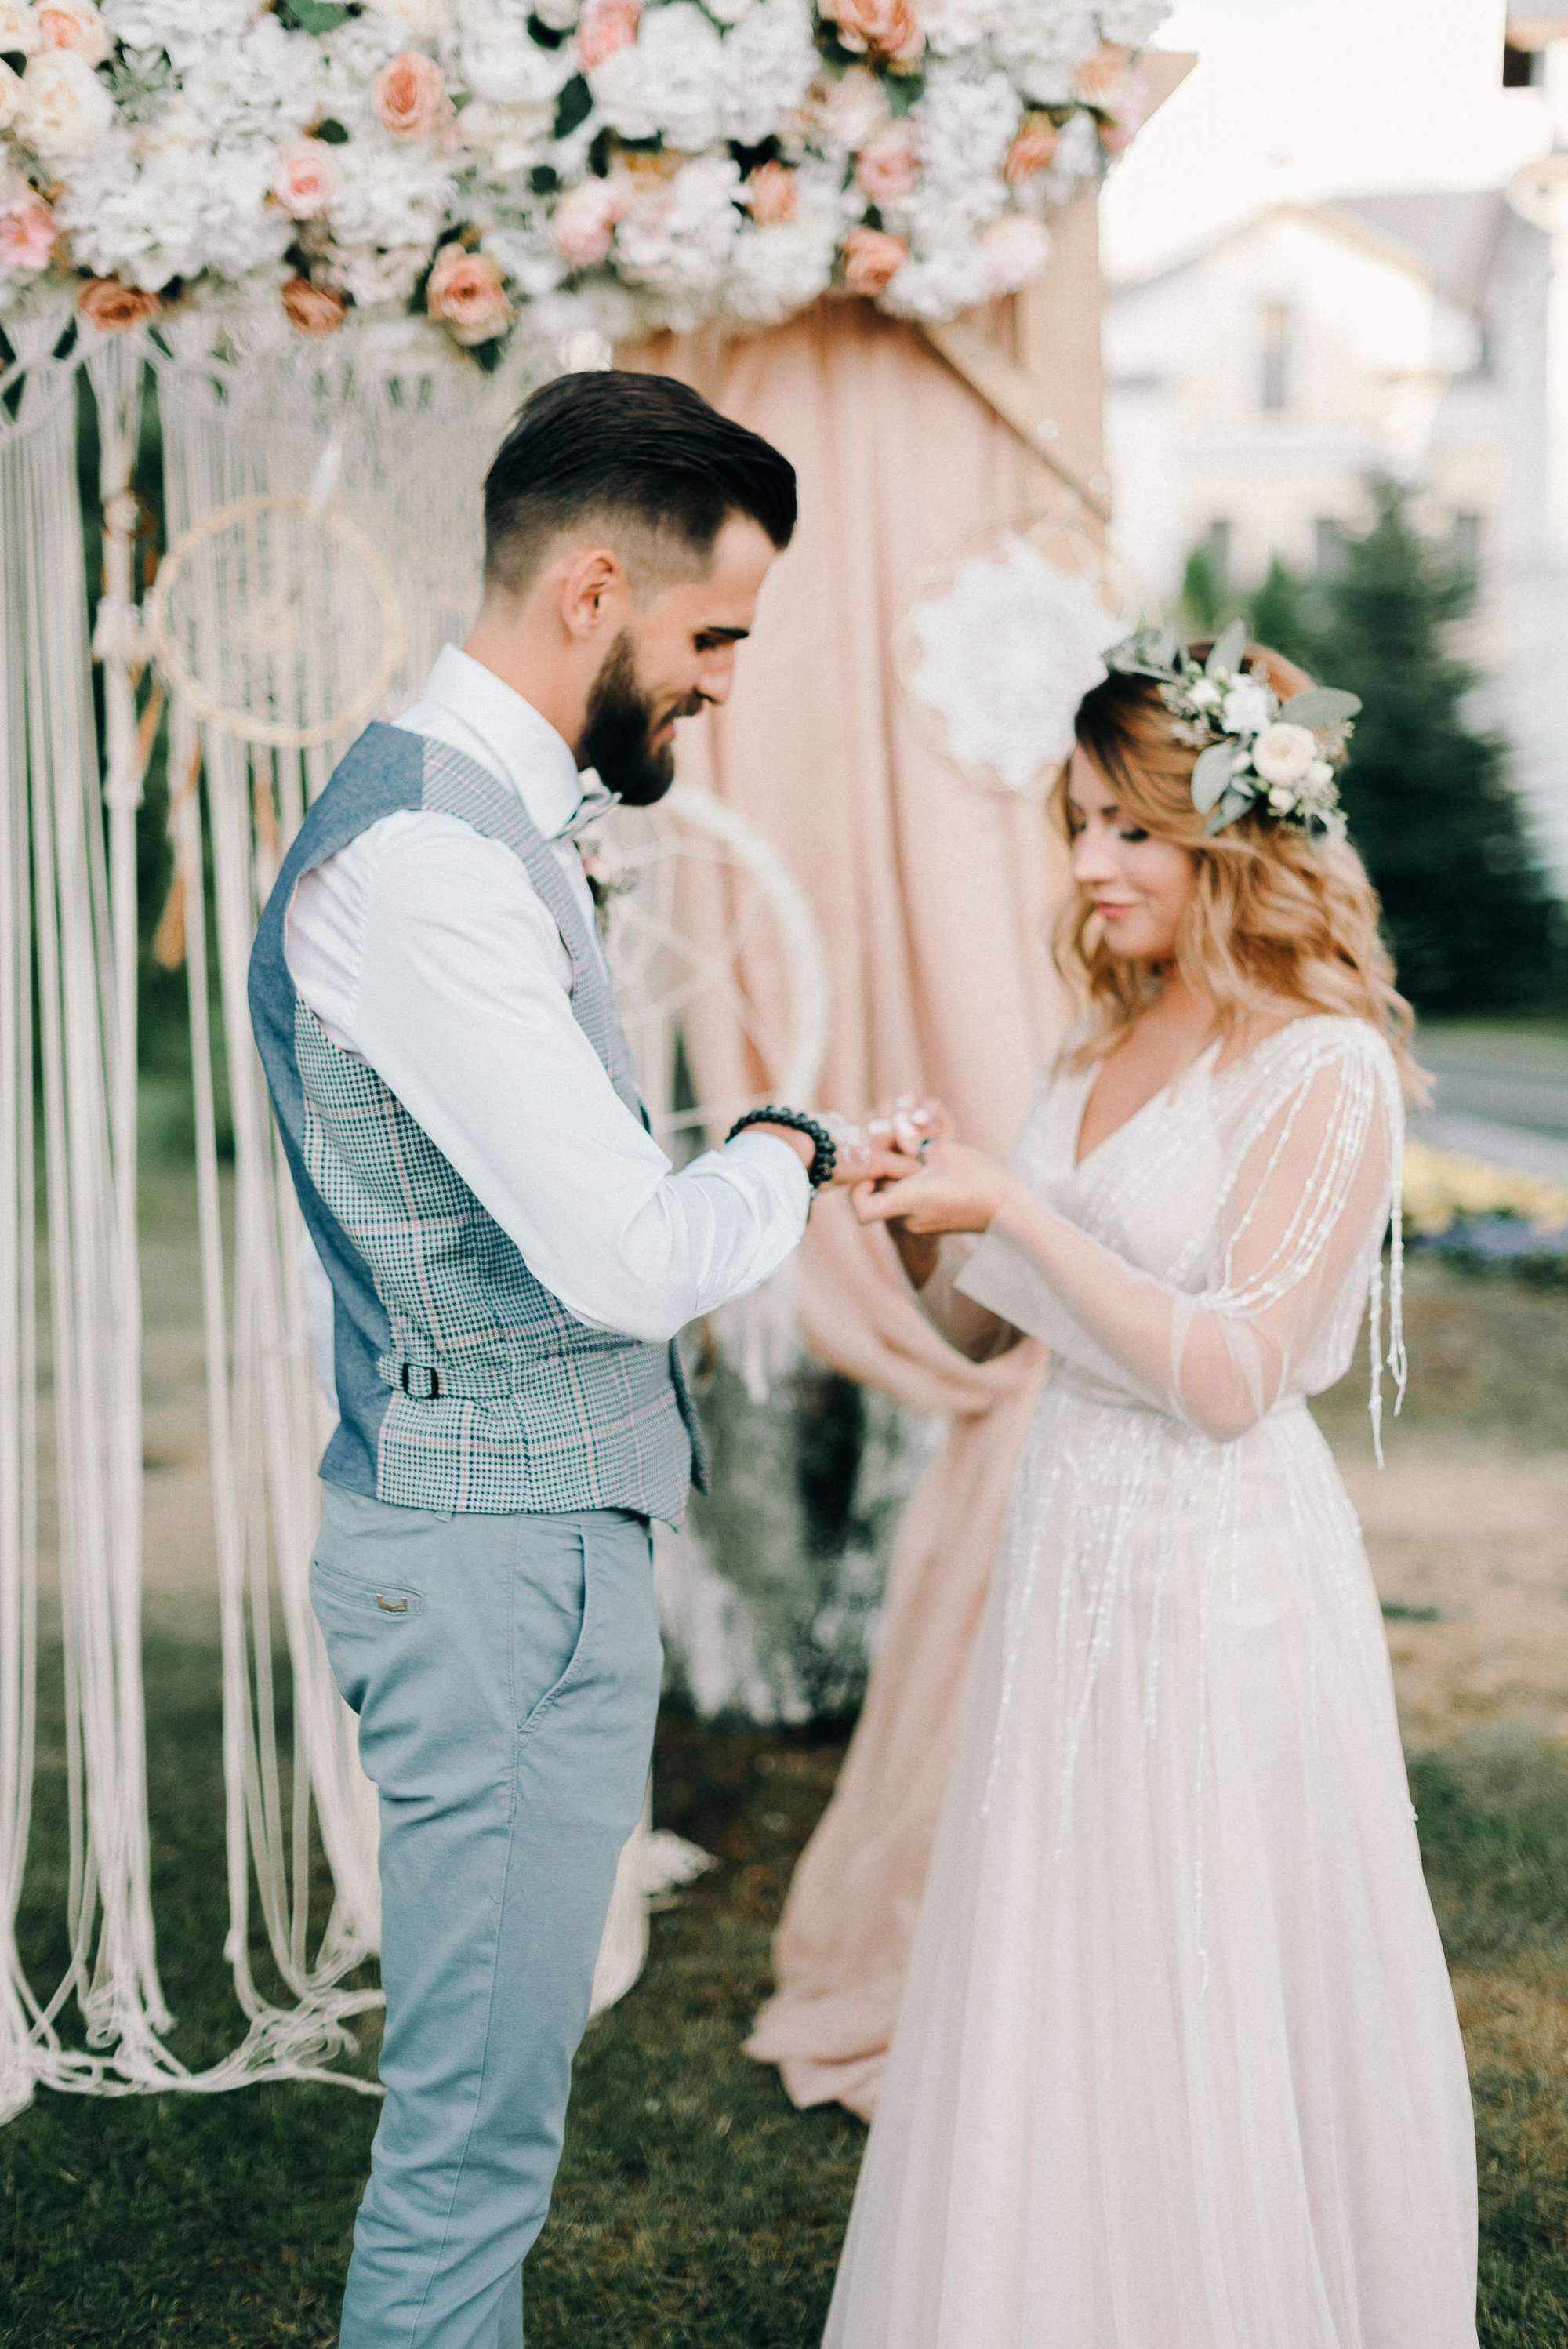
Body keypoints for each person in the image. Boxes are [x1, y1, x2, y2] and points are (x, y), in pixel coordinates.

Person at [246, 369, 909, 2349]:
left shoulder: (482, 822)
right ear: (595, 586)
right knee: (470, 2145)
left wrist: (768, 1168)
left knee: (496, 2118)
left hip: (519, 1536)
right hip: (492, 1556)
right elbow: (624, 1255)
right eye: (713, 635)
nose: (719, 682)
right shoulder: (436, 865)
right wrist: (783, 1149)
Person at [825, 630, 1479, 2348]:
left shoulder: (1319, 1068)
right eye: (1076, 824)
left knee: (1209, 1945)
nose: (1087, 865)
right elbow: (986, 1319)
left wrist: (1022, 1211)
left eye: (1129, 828)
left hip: (1219, 1573)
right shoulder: (1083, 1049)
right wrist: (918, 1217)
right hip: (1066, 1552)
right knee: (1064, 1948)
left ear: (1229, 837)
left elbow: (1232, 1372)